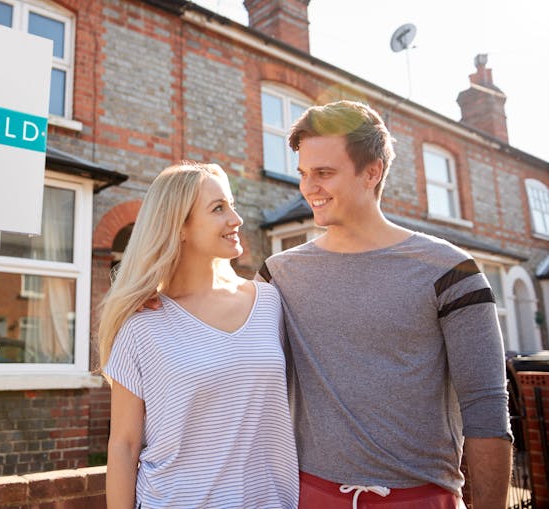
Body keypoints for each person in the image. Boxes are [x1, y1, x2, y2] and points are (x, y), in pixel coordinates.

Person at [257, 100, 512, 509]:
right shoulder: (277, 275)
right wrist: (163, 297)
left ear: (371, 172)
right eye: (304, 173)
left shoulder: (449, 270)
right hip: (308, 496)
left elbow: (486, 412)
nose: (308, 187)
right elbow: (229, 347)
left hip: (423, 499)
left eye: (324, 173)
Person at [100, 162, 299, 509]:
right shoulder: (143, 325)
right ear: (179, 227)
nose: (236, 219)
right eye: (218, 208)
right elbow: (124, 445)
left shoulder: (269, 302)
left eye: (232, 205)